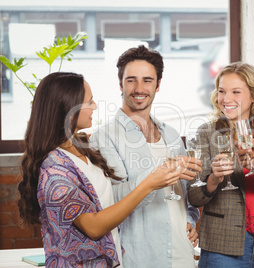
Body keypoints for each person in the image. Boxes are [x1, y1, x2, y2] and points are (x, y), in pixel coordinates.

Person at [17, 72, 181, 267]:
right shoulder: (54, 169)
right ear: (68, 108)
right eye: (89, 102)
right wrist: (148, 185)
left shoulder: (81, 147)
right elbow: (94, 227)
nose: (95, 106)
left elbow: (105, 197)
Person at [89, 45, 201, 268]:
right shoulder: (103, 138)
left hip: (183, 255)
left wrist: (190, 220)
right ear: (120, 83)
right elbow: (109, 199)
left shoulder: (170, 134)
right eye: (131, 80)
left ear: (158, 85)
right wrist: (152, 179)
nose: (139, 88)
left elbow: (185, 194)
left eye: (147, 80)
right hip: (139, 257)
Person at [188, 62, 254, 268]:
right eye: (221, 91)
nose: (226, 99)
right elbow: (194, 196)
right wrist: (213, 179)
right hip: (222, 243)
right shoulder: (206, 132)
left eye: (236, 92)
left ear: (253, 96)